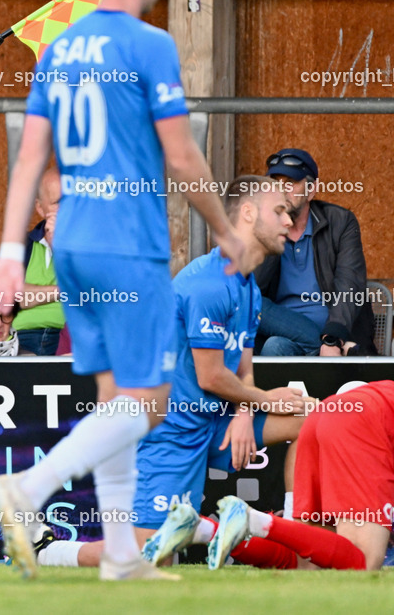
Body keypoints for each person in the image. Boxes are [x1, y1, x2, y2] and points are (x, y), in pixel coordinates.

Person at [0, 0, 248, 581]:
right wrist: (222, 228)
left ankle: (122, 555)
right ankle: (29, 488)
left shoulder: (59, 46)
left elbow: (29, 159)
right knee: (150, 403)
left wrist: (13, 250)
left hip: (71, 241)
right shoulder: (150, 44)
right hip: (128, 244)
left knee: (113, 401)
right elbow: (182, 154)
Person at [36, 176, 309, 569]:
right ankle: (48, 552)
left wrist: (248, 412)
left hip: (216, 418)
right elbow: (210, 376)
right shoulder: (208, 285)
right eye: (280, 211)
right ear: (248, 213)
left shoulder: (247, 286)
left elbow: (243, 363)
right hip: (169, 430)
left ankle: (295, 536)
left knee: (308, 420)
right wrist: (266, 399)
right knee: (147, 557)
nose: (289, 220)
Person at [142, 379, 394, 572]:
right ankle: (252, 520)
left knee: (308, 563)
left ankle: (202, 529)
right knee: (362, 562)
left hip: (324, 415)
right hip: (360, 419)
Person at [254, 148, 374, 356]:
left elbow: (350, 283)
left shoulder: (340, 222)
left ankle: (330, 343)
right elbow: (249, 290)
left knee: (273, 347)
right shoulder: (262, 227)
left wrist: (334, 335)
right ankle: (321, 343)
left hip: (336, 331)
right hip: (285, 335)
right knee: (249, 302)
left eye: (290, 184)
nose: (281, 192)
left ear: (310, 190)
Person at [13, 169, 66, 356]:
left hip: (70, 337)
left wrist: (58, 248)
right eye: (59, 202)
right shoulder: (23, 244)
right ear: (40, 208)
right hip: (20, 338)